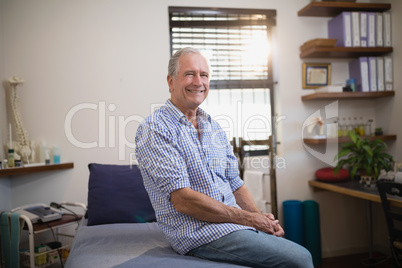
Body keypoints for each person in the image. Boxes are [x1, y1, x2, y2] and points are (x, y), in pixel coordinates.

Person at [135, 47, 313, 268]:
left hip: (233, 225)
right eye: (190, 74)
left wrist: (261, 219)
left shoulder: (213, 127)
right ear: (171, 82)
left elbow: (235, 183)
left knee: (288, 251)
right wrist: (249, 220)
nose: (198, 82)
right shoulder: (155, 128)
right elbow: (182, 200)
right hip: (199, 233)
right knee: (301, 258)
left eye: (204, 75)